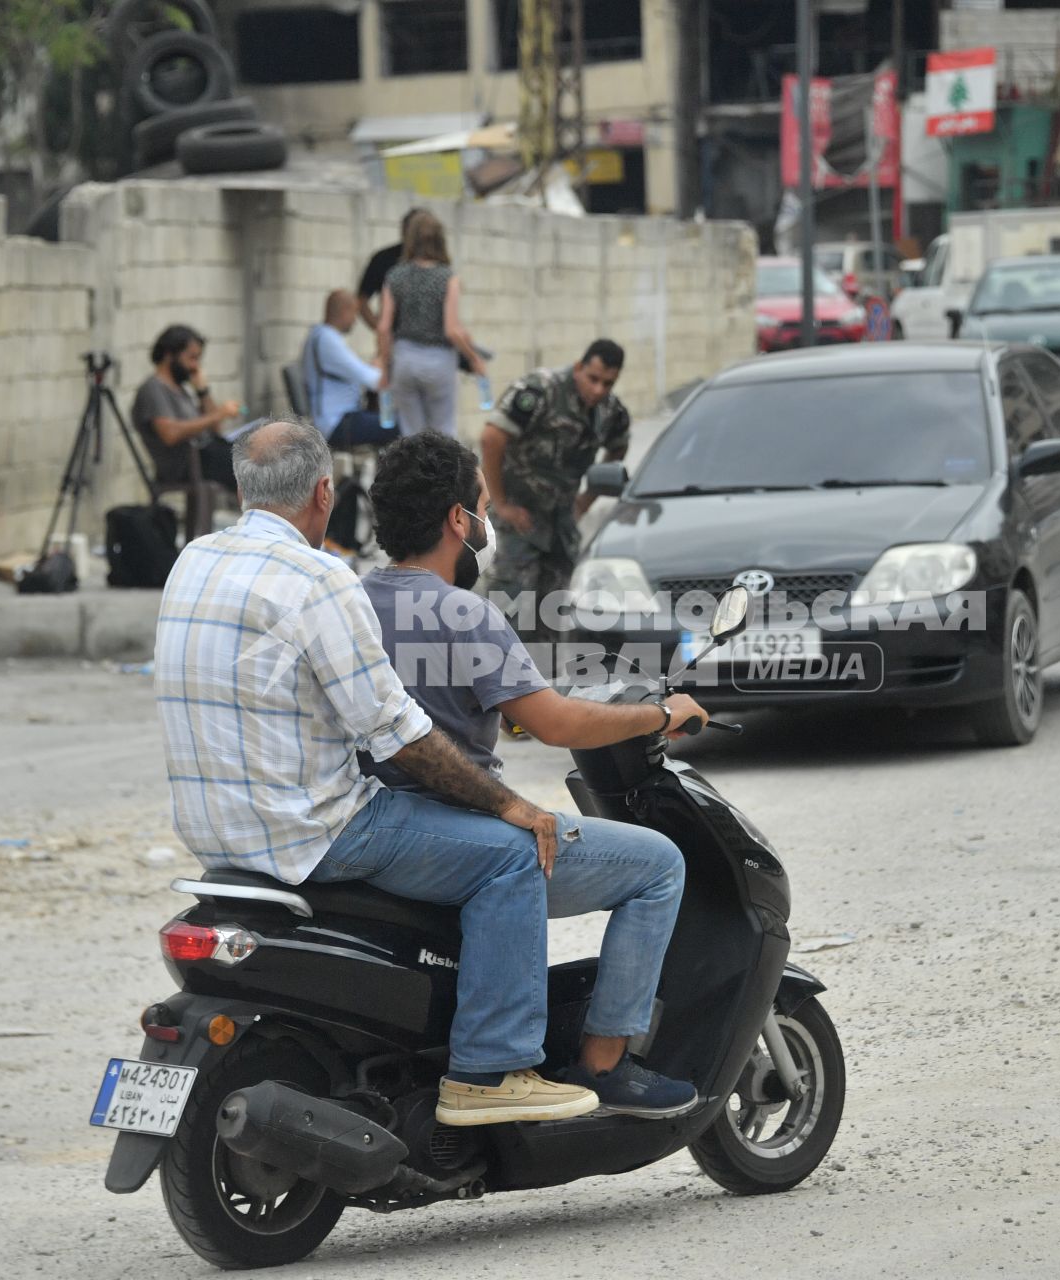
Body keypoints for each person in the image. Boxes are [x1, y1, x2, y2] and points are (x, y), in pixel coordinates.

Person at [157, 419, 676, 1126]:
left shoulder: (194, 562)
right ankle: (500, 1071)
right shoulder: (322, 581)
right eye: (484, 505)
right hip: (316, 830)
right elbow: (401, 731)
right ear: (323, 492)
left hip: (215, 838)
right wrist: (514, 803)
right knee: (524, 855)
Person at [360, 432, 707, 1116]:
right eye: (482, 505)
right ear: (459, 520)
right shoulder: (464, 612)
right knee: (660, 865)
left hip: (383, 823)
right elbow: (557, 724)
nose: (487, 521)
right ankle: (606, 1066)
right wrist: (659, 714)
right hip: (455, 822)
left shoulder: (353, 600)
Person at [482, 339, 631, 642]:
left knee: (553, 612)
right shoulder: (540, 391)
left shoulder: (610, 411)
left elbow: (619, 447)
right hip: (518, 515)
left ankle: (543, 684)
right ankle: (498, 682)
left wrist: (585, 501)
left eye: (608, 383)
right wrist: (500, 504)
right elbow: (491, 438)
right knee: (509, 609)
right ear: (579, 367)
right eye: (593, 379)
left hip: (561, 522)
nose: (599, 390)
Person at [376, 210, 486, 437]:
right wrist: (474, 358)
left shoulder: (395, 275)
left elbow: (383, 327)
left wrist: (385, 366)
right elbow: (452, 330)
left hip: (405, 360)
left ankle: (413, 473)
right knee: (443, 434)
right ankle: (443, 473)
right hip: (439, 361)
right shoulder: (448, 278)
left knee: (411, 436)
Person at [131, 324, 243, 488]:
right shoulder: (153, 388)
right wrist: (219, 414)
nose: (195, 366)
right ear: (170, 355)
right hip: (187, 464)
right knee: (252, 466)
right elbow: (170, 433)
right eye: (192, 358)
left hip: (207, 455)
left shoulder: (181, 388)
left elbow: (216, 430)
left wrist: (203, 392)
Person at [301, 290, 398, 449]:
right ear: (344, 310)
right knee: (400, 425)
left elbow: (358, 371)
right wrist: (381, 365)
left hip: (342, 417)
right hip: (337, 423)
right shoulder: (327, 339)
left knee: (389, 420)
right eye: (354, 313)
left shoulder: (321, 335)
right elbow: (374, 381)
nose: (355, 321)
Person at [355, 206, 427, 341]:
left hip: (430, 343)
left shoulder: (436, 264)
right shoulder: (385, 260)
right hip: (396, 339)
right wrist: (380, 329)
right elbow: (361, 300)